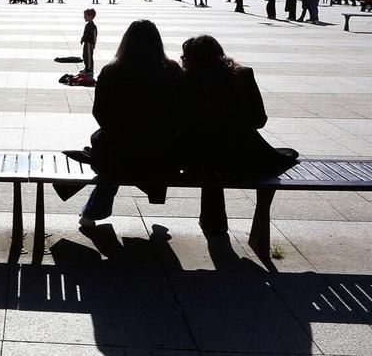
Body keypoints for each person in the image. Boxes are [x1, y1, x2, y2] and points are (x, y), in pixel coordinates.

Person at [180, 35, 298, 233]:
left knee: (210, 156)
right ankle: (218, 223)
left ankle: (213, 222)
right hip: (241, 157)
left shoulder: (186, 78)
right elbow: (259, 120)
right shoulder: (243, 74)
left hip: (197, 159)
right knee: (286, 154)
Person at [78, 20, 185, 227]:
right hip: (161, 153)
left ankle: (93, 211)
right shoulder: (171, 70)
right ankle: (93, 210)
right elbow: (182, 110)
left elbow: (99, 112)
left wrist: (119, 129)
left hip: (119, 150)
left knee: (113, 158)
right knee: (128, 155)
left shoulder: (112, 71)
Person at [72, 8, 98, 87]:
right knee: (85, 55)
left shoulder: (93, 26)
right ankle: (87, 67)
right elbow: (85, 34)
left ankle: (89, 68)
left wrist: (93, 43)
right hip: (86, 43)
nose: (84, 17)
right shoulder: (87, 25)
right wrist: (82, 39)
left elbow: (94, 36)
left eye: (85, 16)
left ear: (90, 16)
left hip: (90, 43)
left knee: (89, 56)